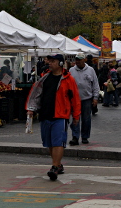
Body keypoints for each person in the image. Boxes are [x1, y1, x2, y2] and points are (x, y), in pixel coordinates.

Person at [26, 53, 81, 181]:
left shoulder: (68, 80)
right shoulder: (44, 78)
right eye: (49, 61)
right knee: (49, 143)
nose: (49, 63)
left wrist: (76, 116)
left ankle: (55, 167)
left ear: (60, 63)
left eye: (52, 61)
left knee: (58, 142)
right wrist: (31, 109)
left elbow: (75, 99)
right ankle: (58, 164)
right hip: (45, 114)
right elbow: (36, 94)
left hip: (60, 115)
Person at [68, 53, 100, 145]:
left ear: (84, 60)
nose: (77, 61)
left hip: (87, 98)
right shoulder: (71, 70)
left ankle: (85, 136)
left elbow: (95, 85)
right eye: (76, 59)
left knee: (86, 119)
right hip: (75, 99)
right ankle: (75, 136)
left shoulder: (90, 70)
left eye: (79, 59)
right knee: (75, 118)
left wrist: (95, 97)